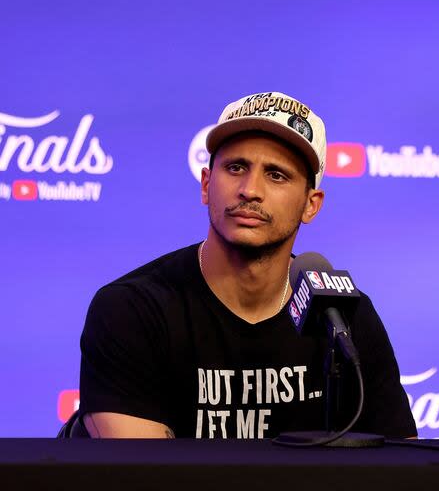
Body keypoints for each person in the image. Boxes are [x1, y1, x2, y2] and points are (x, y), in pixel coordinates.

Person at [78, 92, 417, 439]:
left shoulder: (344, 318)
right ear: (207, 185)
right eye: (236, 167)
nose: (249, 190)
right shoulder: (131, 310)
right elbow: (140, 479)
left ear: (311, 205)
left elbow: (402, 470)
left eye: (276, 175)